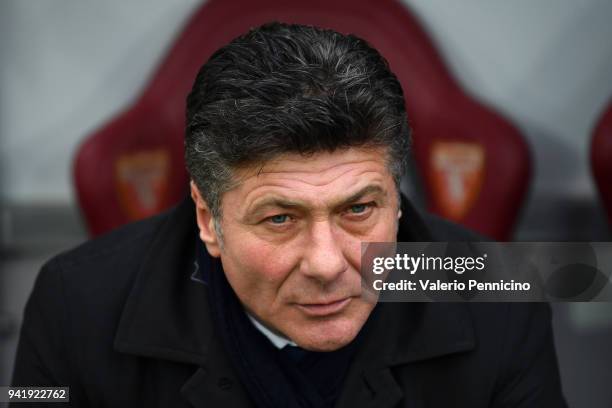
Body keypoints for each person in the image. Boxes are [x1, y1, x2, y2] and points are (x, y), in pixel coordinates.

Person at [11, 22, 566, 407]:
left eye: (359, 209)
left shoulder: (502, 290)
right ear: (208, 220)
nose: (327, 265)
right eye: (280, 219)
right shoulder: (71, 301)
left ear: (396, 200)